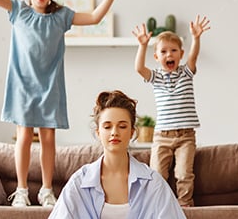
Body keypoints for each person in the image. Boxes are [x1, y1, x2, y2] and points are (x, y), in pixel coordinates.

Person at [0, 0, 121, 207]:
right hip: (22, 86)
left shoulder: (62, 17)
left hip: (50, 86)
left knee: (48, 138)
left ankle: (46, 190)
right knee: (24, 136)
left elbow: (93, 17)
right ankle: (22, 190)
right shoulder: (19, 11)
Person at [49, 90, 186, 219]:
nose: (114, 132)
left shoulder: (153, 183)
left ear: (132, 132)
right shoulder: (79, 182)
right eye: (107, 127)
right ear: (98, 132)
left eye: (122, 126)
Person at [131, 16, 210, 207]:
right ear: (157, 57)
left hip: (186, 136)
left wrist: (196, 38)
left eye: (173, 51)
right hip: (162, 136)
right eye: (164, 51)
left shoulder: (186, 72)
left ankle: (184, 205)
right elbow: (139, 68)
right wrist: (143, 45)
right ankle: (156, 205)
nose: (169, 55)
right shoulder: (156, 77)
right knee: (157, 174)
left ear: (180, 54)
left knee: (183, 174)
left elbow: (194, 57)